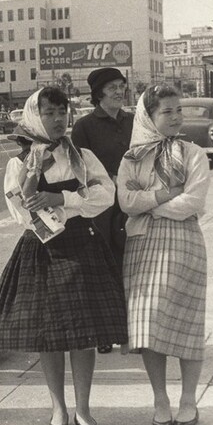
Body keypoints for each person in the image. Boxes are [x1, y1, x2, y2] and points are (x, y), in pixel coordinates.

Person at [0, 87, 127, 425]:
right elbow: (19, 209)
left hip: (82, 246)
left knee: (84, 334)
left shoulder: (82, 156)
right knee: (50, 335)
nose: (58, 119)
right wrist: (46, 192)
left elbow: (106, 195)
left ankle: (84, 409)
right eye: (49, 113)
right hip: (43, 249)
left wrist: (60, 197)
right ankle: (58, 409)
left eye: (63, 112)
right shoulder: (20, 162)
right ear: (35, 115)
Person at [117, 84, 210, 425]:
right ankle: (160, 399)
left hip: (185, 244)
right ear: (149, 116)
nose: (175, 117)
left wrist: (151, 203)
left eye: (178, 110)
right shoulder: (132, 158)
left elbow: (193, 201)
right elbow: (125, 201)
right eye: (166, 111)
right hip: (141, 246)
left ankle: (188, 399)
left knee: (186, 321)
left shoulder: (192, 153)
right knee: (147, 323)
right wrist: (164, 194)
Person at [71, 67, 134, 354]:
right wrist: (109, 179)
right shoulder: (84, 126)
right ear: (98, 94)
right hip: (102, 209)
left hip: (132, 203)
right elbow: (80, 168)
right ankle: (103, 332)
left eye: (121, 86)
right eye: (112, 88)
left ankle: (128, 328)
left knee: (129, 263)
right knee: (103, 266)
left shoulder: (134, 121)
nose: (119, 92)